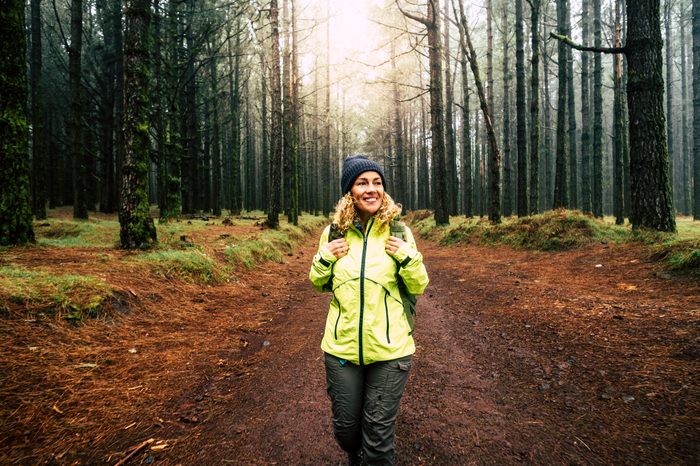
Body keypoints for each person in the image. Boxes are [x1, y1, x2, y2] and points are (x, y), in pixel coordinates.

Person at [309, 155, 429, 465]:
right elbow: (319, 283)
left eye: (377, 182)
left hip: (390, 352)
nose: (371, 189)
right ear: (350, 191)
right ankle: (354, 455)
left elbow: (418, 286)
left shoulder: (398, 233)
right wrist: (324, 258)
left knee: (377, 439)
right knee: (347, 433)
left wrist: (408, 259)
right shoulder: (334, 232)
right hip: (341, 350)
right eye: (362, 182)